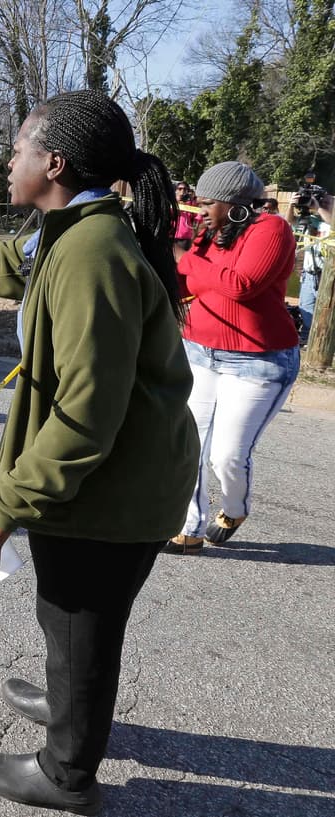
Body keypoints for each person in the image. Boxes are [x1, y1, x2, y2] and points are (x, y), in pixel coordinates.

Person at [0, 89, 198, 815]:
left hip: (112, 491)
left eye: (19, 147)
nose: (8, 158)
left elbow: (87, 414)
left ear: (53, 162)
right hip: (101, 481)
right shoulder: (63, 228)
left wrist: (5, 505)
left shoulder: (91, 252)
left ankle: (67, 772)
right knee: (67, 619)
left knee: (83, 626)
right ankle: (69, 703)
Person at [164, 162, 301, 555]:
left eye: (207, 203)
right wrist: (190, 265)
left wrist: (192, 262)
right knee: (191, 444)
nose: (199, 210)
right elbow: (189, 280)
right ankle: (189, 528)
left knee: (227, 454)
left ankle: (235, 509)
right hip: (199, 351)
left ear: (235, 203)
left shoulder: (272, 230)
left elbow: (242, 286)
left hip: (260, 361)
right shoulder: (210, 233)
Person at [297, 194, 333, 344]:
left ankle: (325, 341)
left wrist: (318, 208)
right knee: (305, 306)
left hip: (327, 274)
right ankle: (307, 338)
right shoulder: (311, 221)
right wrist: (294, 205)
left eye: (327, 202)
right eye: (321, 201)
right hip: (309, 274)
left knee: (327, 309)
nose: (322, 203)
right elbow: (289, 222)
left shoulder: (330, 223)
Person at [172, 181, 200, 250]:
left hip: (185, 237)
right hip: (171, 236)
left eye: (185, 189)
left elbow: (199, 215)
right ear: (175, 190)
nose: (182, 191)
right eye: (180, 189)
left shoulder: (191, 203)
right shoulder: (171, 202)